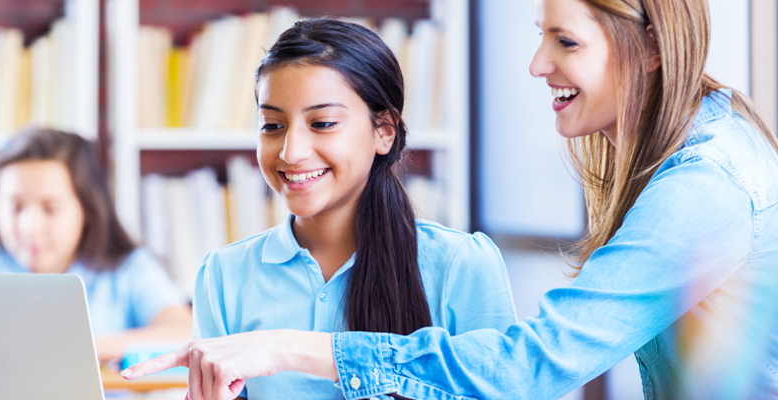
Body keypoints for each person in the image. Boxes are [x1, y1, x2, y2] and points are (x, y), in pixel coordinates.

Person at [122, 0, 778, 399]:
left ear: (654, 46)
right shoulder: (225, 274)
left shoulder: (706, 185)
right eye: (542, 33)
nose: (536, 63)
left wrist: (289, 348)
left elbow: (532, 369)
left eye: (567, 41)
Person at [187, 19, 517, 400]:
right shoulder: (224, 275)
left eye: (323, 123)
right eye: (272, 125)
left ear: (384, 131)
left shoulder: (460, 265)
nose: (291, 152)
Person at [0, 128, 192, 368]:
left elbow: (182, 333)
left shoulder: (127, 270)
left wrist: (76, 348)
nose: (29, 226)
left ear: (87, 208)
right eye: (15, 206)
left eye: (49, 207)